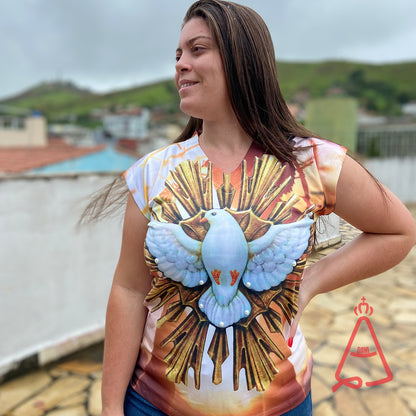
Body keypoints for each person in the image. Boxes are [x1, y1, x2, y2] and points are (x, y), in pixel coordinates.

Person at [98, 1, 416, 415]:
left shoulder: (312, 162)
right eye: (177, 54)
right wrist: (111, 406)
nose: (180, 65)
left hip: (281, 404)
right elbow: (129, 289)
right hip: (155, 404)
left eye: (197, 49)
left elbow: (399, 231)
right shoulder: (151, 173)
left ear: (242, 58)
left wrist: (311, 282)